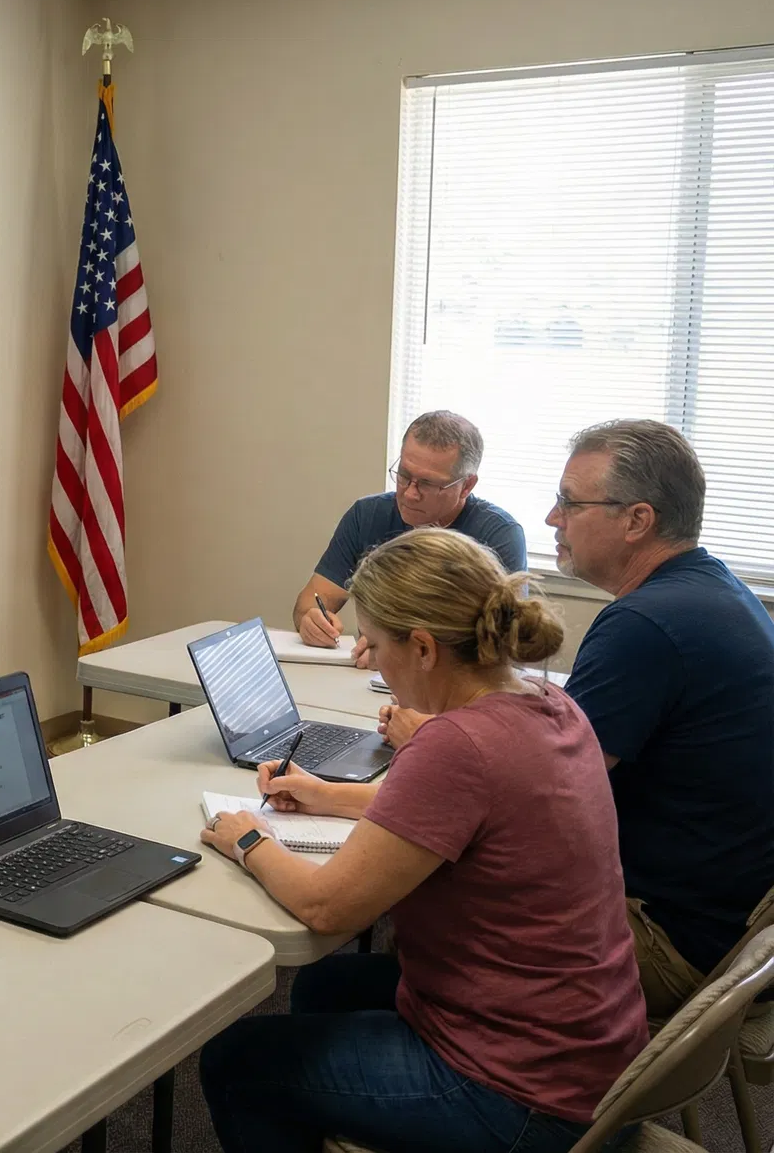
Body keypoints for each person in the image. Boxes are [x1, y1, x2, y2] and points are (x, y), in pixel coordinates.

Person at [201, 528, 646, 1153]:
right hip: (594, 1052)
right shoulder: (548, 701)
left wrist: (251, 840)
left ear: (424, 648)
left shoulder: (454, 745)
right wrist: (328, 795)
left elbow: (329, 907)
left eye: (375, 644)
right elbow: (472, 815)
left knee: (236, 1060)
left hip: (524, 1099)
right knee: (324, 987)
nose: (371, 658)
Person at [543, 418, 774, 1018]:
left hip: (674, 943)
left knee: (434, 893)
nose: (552, 519)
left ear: (637, 520)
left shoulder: (643, 625)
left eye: (569, 502)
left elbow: (538, 794)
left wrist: (433, 741)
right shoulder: (716, 588)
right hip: (740, 929)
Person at [294, 410, 525, 658]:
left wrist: (401, 657)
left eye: (427, 483)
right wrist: (312, 621)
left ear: (467, 485)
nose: (410, 493)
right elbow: (308, 604)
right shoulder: (367, 516)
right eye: (404, 476)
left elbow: (505, 644)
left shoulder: (498, 534)